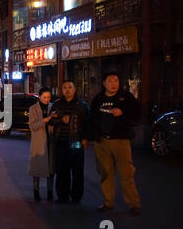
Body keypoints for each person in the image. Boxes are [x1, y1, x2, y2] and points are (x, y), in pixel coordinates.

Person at [89, 72, 141, 216]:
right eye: (110, 81)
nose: (113, 84)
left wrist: (122, 112)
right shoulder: (98, 99)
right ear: (104, 83)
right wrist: (93, 136)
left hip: (121, 141)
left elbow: (137, 115)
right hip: (102, 142)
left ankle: (134, 204)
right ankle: (108, 202)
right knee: (105, 173)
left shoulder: (126, 97)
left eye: (116, 81)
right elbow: (92, 118)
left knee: (126, 174)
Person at [50, 81, 89, 204]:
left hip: (76, 141)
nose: (67, 90)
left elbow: (87, 123)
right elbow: (51, 122)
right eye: (64, 88)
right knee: (61, 171)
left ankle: (76, 196)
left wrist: (85, 138)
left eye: (70, 87)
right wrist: (61, 120)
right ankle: (62, 196)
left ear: (74, 89)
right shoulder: (57, 105)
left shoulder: (82, 105)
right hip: (60, 141)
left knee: (77, 171)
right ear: (61, 90)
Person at [28, 87, 55, 202]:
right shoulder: (33, 108)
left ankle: (50, 192)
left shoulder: (52, 107)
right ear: (39, 97)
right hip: (38, 142)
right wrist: (46, 120)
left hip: (51, 140)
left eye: (49, 97)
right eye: (44, 97)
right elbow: (33, 126)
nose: (47, 100)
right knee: (37, 169)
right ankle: (36, 191)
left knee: (51, 169)